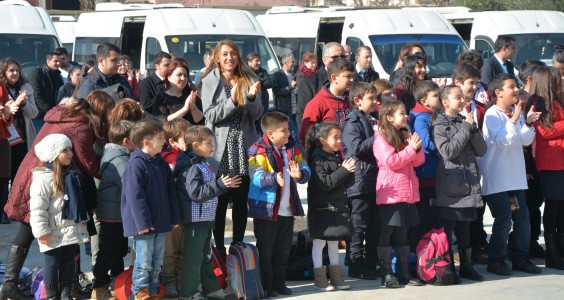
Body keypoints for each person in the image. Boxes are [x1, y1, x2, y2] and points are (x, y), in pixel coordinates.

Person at [1, 91, 114, 300]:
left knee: (28, 233)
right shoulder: (81, 125)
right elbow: (88, 163)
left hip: (31, 171)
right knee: (58, 234)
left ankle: (10, 283)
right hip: (48, 178)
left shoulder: (63, 114)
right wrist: (111, 169)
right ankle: (59, 289)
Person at [477, 74, 541, 276]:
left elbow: (523, 140)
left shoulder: (516, 111)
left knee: (522, 219)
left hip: (515, 177)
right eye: (511, 87)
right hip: (497, 178)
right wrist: (514, 119)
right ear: (498, 92)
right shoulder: (492, 115)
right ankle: (495, 260)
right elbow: (503, 141)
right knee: (503, 220)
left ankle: (520, 258)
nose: (516, 90)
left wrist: (528, 124)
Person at [173, 125, 241, 300]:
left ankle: (211, 288)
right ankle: (189, 292)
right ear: (195, 145)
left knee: (206, 257)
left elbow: (209, 190)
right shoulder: (191, 168)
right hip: (195, 221)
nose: (213, 146)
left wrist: (223, 186)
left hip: (205, 219)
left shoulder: (202, 164)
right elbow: (195, 193)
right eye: (209, 143)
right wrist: (219, 185)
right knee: (193, 259)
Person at [247, 112, 310, 296]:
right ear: (270, 133)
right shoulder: (257, 149)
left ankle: (280, 283)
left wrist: (302, 175)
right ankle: (267, 285)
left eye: (288, 130)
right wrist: (274, 178)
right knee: (266, 251)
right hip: (266, 211)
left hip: (287, 211)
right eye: (284, 131)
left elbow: (304, 166)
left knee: (283, 251)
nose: (289, 134)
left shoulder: (292, 148)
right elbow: (256, 176)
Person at [120, 119, 182, 300]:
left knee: (157, 260)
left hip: (161, 220)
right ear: (146, 142)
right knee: (144, 259)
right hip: (144, 224)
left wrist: (174, 217)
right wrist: (142, 223)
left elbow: (170, 191)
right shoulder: (136, 164)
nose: (164, 141)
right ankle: (140, 291)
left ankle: (153, 290)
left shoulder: (160, 162)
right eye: (160, 138)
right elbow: (135, 197)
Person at [431, 85, 487, 282]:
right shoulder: (439, 125)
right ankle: (447, 267)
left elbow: (481, 150)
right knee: (449, 227)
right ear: (445, 102)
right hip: (451, 184)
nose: (462, 101)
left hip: (468, 181)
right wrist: (465, 129)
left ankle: (467, 265)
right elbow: (448, 151)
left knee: (465, 227)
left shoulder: (465, 122)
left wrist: (472, 129)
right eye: (457, 97)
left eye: (463, 97)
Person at [30, 134, 90, 300]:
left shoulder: (70, 176)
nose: (70, 153)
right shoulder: (43, 179)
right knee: (52, 264)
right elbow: (37, 209)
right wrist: (41, 231)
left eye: (70, 148)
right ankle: (51, 296)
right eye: (65, 150)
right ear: (53, 154)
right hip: (52, 231)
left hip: (69, 230)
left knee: (69, 263)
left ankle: (65, 294)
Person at [373, 100, 424, 288]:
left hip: (408, 191)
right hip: (391, 192)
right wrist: (411, 149)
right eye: (401, 113)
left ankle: (403, 272)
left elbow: (418, 161)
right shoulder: (381, 138)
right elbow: (391, 161)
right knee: (387, 232)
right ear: (389, 117)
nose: (406, 116)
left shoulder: (405, 134)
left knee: (404, 233)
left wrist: (415, 147)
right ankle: (386, 272)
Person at [91, 120, 136, 300]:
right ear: (126, 141)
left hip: (116, 213)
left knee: (117, 251)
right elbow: (130, 185)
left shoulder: (114, 153)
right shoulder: (120, 159)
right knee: (109, 252)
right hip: (113, 214)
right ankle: (99, 285)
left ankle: (117, 283)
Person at [305, 122, 354, 291]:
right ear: (323, 139)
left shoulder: (336, 155)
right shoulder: (317, 158)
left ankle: (337, 278)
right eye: (335, 138)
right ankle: (320, 279)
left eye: (340, 137)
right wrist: (343, 171)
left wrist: (349, 172)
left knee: (334, 242)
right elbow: (325, 183)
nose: (339, 141)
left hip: (337, 206)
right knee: (319, 242)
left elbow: (343, 182)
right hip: (322, 208)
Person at [524, 67, 564, 270]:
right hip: (550, 161)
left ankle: (559, 249)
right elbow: (544, 131)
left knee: (561, 207)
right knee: (553, 206)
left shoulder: (556, 100)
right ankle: (552, 252)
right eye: (558, 79)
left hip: (560, 158)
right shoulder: (537, 103)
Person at [341, 82, 379, 279]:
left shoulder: (371, 118)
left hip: (373, 180)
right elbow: (357, 148)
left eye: (375, 98)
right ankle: (355, 264)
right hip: (359, 181)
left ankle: (371, 263)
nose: (375, 102)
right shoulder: (352, 122)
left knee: (373, 225)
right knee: (359, 226)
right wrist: (378, 135)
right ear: (357, 101)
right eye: (370, 98)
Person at [518, 60, 547, 259]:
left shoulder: (539, 98)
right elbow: (521, 138)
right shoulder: (522, 100)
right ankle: (524, 243)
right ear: (530, 79)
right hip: (526, 164)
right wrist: (525, 168)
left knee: (535, 204)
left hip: (538, 163)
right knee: (527, 207)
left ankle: (533, 240)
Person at [408, 80, 440, 250]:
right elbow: (426, 143)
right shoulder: (421, 118)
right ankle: (418, 253)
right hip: (425, 175)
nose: (439, 98)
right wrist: (445, 149)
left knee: (431, 218)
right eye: (435, 95)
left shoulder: (430, 115)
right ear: (423, 101)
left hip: (433, 174)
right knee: (424, 218)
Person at [160, 118, 190, 298]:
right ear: (172, 141)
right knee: (169, 251)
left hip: (188, 212)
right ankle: (169, 281)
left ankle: (181, 279)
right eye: (185, 138)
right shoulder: (166, 159)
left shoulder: (193, 156)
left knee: (184, 250)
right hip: (172, 213)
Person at [299, 58, 354, 143]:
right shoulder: (317, 103)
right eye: (348, 76)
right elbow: (306, 136)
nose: (352, 80)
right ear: (334, 77)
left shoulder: (352, 101)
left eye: (352, 76)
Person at [0, 57, 38, 178]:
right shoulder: (1, 89)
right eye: (11, 70)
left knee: (21, 174)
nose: (15, 73)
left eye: (17, 70)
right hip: (6, 137)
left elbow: (34, 113)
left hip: (23, 136)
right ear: (3, 72)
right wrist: (15, 103)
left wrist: (24, 103)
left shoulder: (26, 87)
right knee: (6, 173)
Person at [297, 43, 345, 131]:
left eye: (342, 56)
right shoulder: (309, 83)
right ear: (324, 60)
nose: (340, 60)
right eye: (334, 57)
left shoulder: (353, 81)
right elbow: (303, 117)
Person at [153, 57, 204, 125]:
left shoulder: (191, 96)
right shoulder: (162, 97)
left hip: (191, 134)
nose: (183, 78)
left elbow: (200, 121)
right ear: (169, 77)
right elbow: (162, 121)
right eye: (179, 75)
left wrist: (192, 105)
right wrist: (185, 109)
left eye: (185, 75)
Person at [29, 51, 64, 132]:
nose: (58, 63)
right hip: (39, 116)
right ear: (48, 61)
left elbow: (60, 95)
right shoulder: (37, 74)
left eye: (59, 61)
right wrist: (50, 111)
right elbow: (37, 96)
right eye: (56, 61)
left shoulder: (58, 76)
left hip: (55, 116)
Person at [0, 81, 14, 225]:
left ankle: (2, 211)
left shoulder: (1, 85)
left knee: (4, 175)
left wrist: (6, 113)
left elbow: (8, 120)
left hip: (1, 137)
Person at [272, 53, 297, 117]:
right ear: (285, 63)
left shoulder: (295, 74)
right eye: (292, 62)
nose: (294, 64)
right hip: (285, 112)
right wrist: (290, 87)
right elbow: (277, 92)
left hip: (296, 111)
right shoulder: (277, 75)